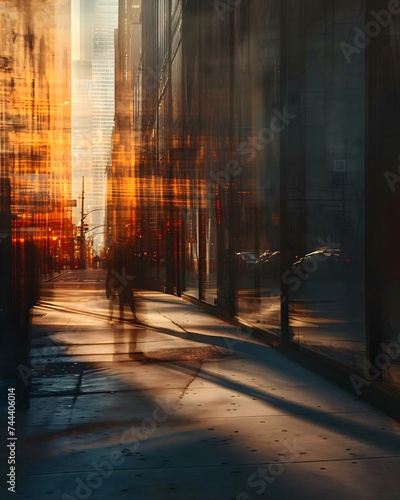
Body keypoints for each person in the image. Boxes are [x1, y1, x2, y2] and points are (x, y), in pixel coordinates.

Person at [106, 242, 138, 323]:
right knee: (125, 297)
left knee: (119, 297)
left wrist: (107, 287)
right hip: (122, 280)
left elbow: (110, 272)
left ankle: (118, 315)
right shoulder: (124, 259)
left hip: (119, 280)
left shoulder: (113, 260)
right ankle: (127, 314)